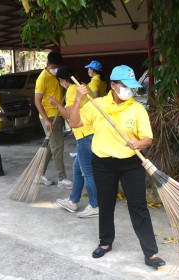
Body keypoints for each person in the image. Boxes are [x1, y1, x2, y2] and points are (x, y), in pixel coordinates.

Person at [69, 65, 166, 268]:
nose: (130, 91)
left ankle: (151, 253)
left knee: (138, 207)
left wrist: (138, 144)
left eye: (132, 87)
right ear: (113, 85)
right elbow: (75, 123)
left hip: (131, 164)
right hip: (103, 164)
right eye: (125, 86)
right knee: (106, 204)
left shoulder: (137, 108)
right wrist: (78, 99)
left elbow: (147, 138)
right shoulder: (97, 105)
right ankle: (105, 243)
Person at [48, 66, 99, 218]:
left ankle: (95, 206)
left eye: (60, 81)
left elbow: (69, 116)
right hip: (90, 133)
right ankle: (73, 202)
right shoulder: (84, 86)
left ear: (63, 80)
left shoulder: (72, 90)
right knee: (77, 169)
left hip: (84, 135)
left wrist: (57, 105)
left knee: (87, 172)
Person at [34, 51, 72, 189]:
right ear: (47, 64)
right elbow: (37, 102)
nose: (56, 69)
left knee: (51, 147)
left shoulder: (57, 76)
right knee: (58, 146)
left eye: (58, 66)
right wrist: (47, 120)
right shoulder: (42, 78)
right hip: (49, 117)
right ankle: (62, 179)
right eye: (54, 66)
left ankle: (39, 174)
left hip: (58, 115)